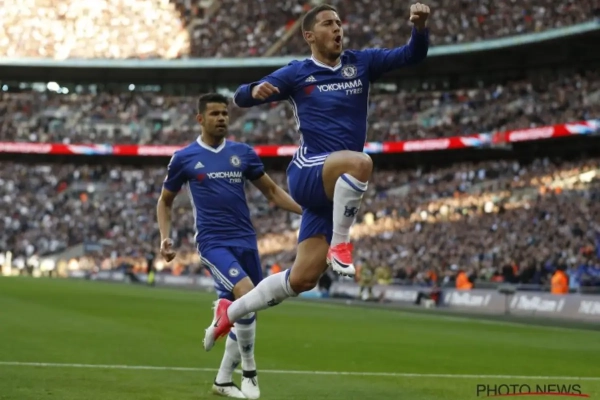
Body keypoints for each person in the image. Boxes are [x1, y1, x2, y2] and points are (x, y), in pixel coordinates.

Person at [202, 3, 431, 351]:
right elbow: (241, 96)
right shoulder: (298, 72)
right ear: (309, 36)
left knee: (303, 279)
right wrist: (254, 90)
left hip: (334, 191)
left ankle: (230, 312)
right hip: (308, 171)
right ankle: (341, 244)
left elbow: (412, 54)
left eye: (339, 22)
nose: (337, 28)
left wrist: (420, 27)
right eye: (328, 23)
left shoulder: (361, 63)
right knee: (361, 163)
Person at [157, 93, 302, 399]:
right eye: (215, 114)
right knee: (247, 294)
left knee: (250, 308)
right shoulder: (184, 158)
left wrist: (306, 211)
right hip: (213, 242)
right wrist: (164, 237)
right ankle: (249, 372)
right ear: (200, 119)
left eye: (225, 113)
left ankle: (223, 379)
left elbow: (272, 192)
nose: (222, 118)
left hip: (246, 240)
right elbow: (165, 201)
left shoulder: (243, 153)